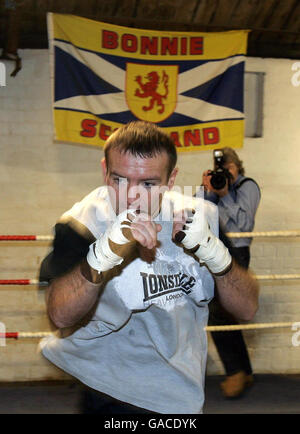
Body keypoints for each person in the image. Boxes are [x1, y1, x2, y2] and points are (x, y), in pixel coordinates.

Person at [39, 122, 258, 414]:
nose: (131, 196)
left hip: (179, 390)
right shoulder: (83, 223)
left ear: (171, 180)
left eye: (148, 184)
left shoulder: (199, 217)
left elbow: (247, 308)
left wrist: (214, 253)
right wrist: (103, 255)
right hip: (107, 384)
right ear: (105, 170)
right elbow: (60, 315)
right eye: (119, 179)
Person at [200, 147, 261, 399]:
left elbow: (245, 223)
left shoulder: (248, 186)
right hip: (215, 253)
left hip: (237, 253)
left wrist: (225, 195)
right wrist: (206, 192)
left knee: (219, 312)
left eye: (229, 168)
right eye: (220, 169)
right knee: (225, 313)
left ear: (238, 167)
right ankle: (244, 372)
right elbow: (199, 217)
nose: (224, 173)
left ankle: (235, 372)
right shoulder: (213, 185)